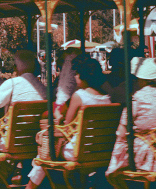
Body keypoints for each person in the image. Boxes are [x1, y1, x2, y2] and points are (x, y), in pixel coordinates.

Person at [26, 57, 111, 189]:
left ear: (83, 76)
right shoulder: (106, 98)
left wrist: (58, 116)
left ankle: (30, 187)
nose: (75, 76)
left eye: (77, 74)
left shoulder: (80, 96)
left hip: (79, 150)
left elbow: (66, 126)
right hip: (100, 149)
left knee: (45, 153)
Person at [0, 50, 47, 181]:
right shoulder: (42, 87)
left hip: (13, 141)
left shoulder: (13, 83)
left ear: (17, 67)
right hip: (34, 141)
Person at [106, 57, 156, 180]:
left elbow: (121, 131)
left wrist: (114, 163)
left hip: (148, 154)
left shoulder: (139, 97)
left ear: (144, 80)